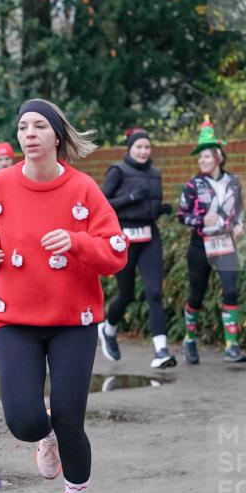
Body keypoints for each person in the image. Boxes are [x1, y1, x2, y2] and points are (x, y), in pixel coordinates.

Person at [0, 98, 129, 493]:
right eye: (23, 127)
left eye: (39, 125)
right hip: (13, 318)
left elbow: (116, 253)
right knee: (24, 420)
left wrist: (78, 242)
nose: (29, 133)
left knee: (69, 417)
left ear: (57, 135)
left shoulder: (83, 191)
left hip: (72, 321)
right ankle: (44, 435)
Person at [97, 127, 177, 369]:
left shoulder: (155, 173)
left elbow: (149, 204)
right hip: (124, 238)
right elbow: (101, 204)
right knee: (127, 294)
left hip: (150, 236)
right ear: (130, 149)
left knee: (154, 293)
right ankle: (108, 328)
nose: (143, 151)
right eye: (139, 147)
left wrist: (160, 210)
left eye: (147, 147)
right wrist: (130, 199)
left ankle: (161, 350)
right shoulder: (118, 171)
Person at [178, 115, 246, 365]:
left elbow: (239, 210)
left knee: (230, 290)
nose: (202, 160)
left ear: (218, 157)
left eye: (206, 156)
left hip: (225, 244)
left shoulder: (233, 182)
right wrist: (200, 220)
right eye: (200, 157)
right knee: (197, 294)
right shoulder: (193, 185)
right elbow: (181, 215)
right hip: (200, 246)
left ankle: (232, 346)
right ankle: (189, 339)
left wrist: (239, 224)